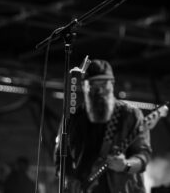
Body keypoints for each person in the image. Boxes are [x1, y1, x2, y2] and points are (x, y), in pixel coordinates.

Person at [54, 59, 152, 193]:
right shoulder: (72, 119)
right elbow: (60, 157)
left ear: (112, 85)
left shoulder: (130, 115)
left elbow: (143, 155)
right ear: (83, 86)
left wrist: (126, 165)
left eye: (104, 84)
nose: (99, 90)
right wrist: (67, 179)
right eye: (93, 85)